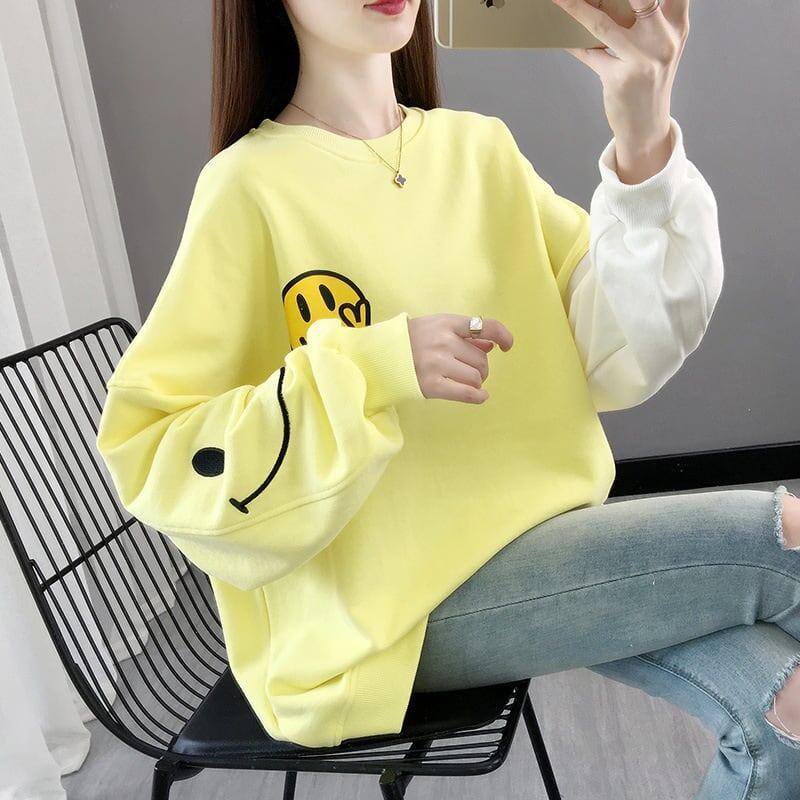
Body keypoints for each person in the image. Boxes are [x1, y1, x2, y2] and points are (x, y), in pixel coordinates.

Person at [95, 0, 800, 795]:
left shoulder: (479, 149)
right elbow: (157, 451)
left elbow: (617, 351)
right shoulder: (248, 187)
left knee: (788, 715)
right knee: (787, 540)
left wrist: (644, 140)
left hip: (553, 546)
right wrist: (370, 368)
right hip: (389, 613)